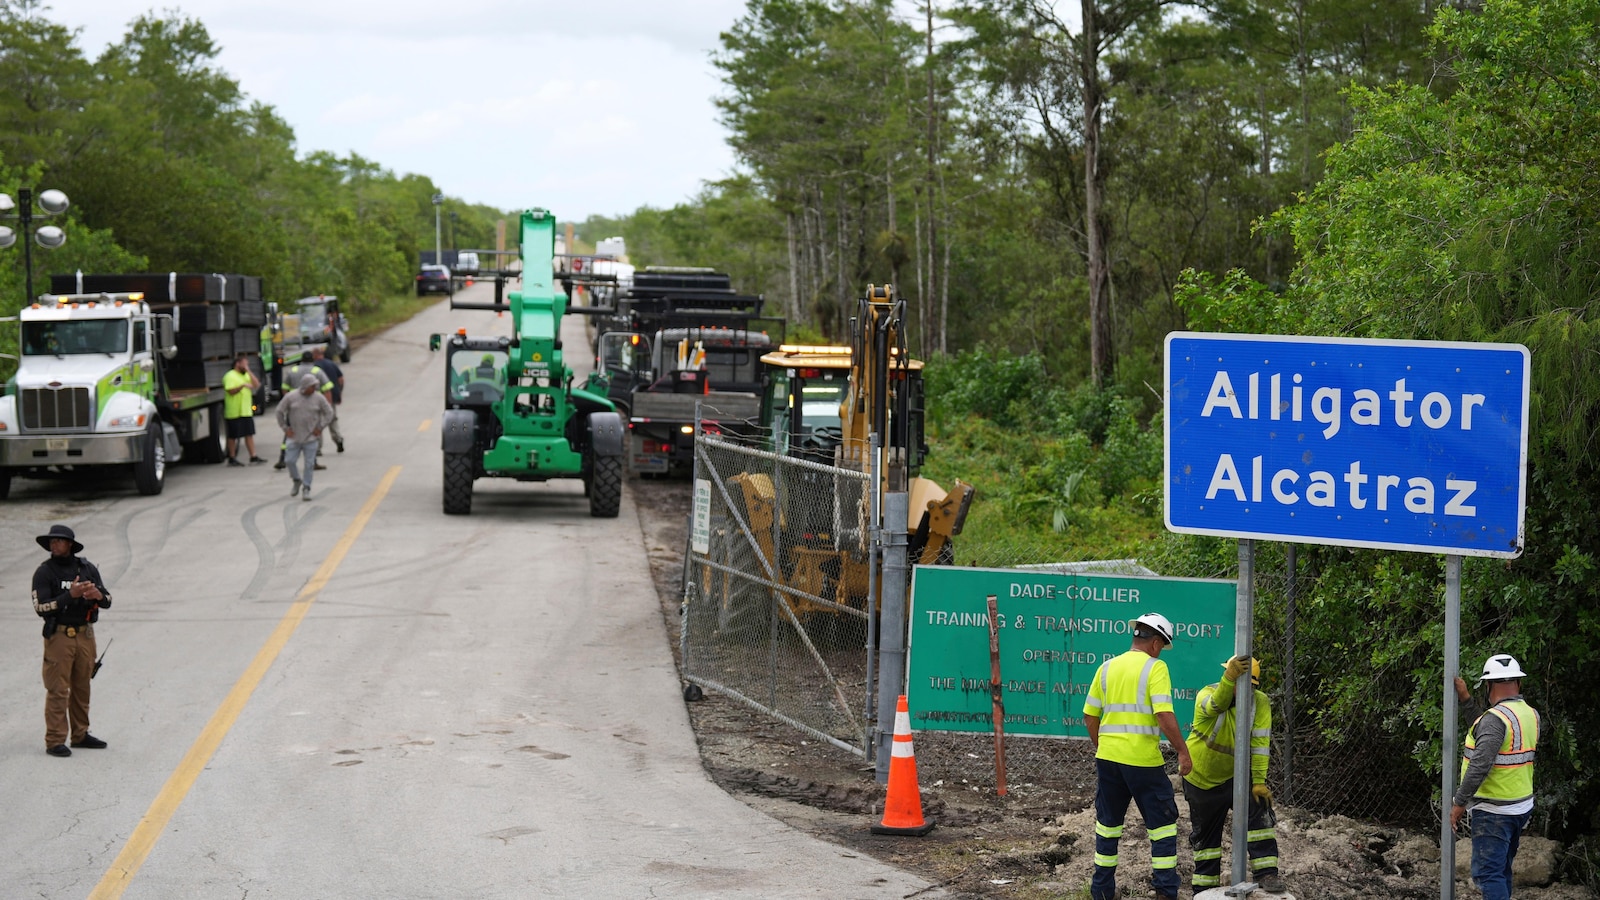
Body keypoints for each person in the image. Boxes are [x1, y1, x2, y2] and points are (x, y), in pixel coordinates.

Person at [1083, 613, 1192, 900]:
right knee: (1163, 826)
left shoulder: (1106, 667)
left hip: (1108, 759)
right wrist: (1182, 751)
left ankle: (1102, 891)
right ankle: (1166, 892)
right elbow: (1164, 714)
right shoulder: (1155, 668)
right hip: (1142, 761)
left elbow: (1089, 715)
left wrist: (1102, 745)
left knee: (1108, 825)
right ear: (1156, 643)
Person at [1183, 656, 1285, 894]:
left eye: (1248, 686)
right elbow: (1214, 705)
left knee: (1259, 814)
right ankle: (1203, 888)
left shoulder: (1259, 703)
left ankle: (1266, 873)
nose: (1244, 691)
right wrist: (1228, 679)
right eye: (1238, 684)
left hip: (1236, 776)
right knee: (1206, 837)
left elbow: (1260, 743)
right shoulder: (1207, 694)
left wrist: (1258, 781)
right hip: (1200, 777)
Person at [1452, 654, 1540, 900]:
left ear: (1489, 685)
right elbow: (1487, 733)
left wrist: (1459, 803)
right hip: (1520, 805)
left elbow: (1480, 764)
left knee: (1489, 874)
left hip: (1495, 811)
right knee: (1501, 870)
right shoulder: (1529, 714)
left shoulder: (1496, 719)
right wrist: (1466, 700)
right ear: (1518, 684)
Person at [31, 524, 112, 758]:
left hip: (85, 635)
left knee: (82, 686)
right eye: (52, 541)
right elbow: (40, 607)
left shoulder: (86, 568)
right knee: (57, 689)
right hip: (59, 637)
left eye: (59, 541)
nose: (54, 545)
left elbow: (107, 598)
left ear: (70, 545)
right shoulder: (44, 572)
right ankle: (55, 740)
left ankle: (80, 734)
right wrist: (70, 595)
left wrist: (97, 595)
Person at [276, 373, 333, 501]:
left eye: (315, 386)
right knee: (289, 461)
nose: (315, 388)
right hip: (294, 437)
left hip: (311, 438)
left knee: (309, 464)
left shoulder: (319, 398)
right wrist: (285, 429)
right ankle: (296, 479)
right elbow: (279, 411)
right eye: (312, 386)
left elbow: (329, 413)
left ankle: (306, 488)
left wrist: (320, 427)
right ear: (305, 386)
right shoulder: (291, 397)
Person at [275, 352, 331, 470]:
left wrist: (288, 402)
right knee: (313, 434)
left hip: (294, 407)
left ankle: (282, 458)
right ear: (312, 360)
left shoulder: (293, 371)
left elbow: (284, 388)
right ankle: (313, 461)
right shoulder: (317, 371)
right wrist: (326, 405)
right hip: (312, 407)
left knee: (290, 432)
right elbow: (326, 389)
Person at [222, 354, 265, 466]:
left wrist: (249, 371)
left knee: (249, 434)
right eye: (245, 364)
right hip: (234, 411)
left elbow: (257, 385)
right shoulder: (230, 376)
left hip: (245, 410)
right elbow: (230, 391)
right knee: (233, 436)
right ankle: (232, 457)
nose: (247, 366)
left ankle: (253, 456)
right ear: (238, 364)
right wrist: (242, 386)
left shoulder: (246, 374)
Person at [310, 345, 345, 453]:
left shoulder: (315, 367)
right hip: (333, 396)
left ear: (315, 355)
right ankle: (338, 439)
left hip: (319, 398)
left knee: (318, 421)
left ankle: (318, 447)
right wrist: (339, 393)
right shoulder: (332, 364)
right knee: (332, 419)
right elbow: (341, 379)